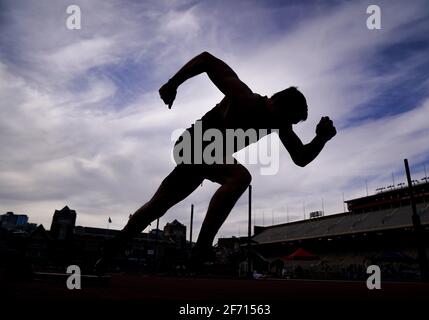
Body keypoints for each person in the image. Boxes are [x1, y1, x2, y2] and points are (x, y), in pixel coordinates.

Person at [94, 51, 336, 273]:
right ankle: (201, 249)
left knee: (157, 206)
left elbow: (300, 158)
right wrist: (172, 84)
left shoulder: (279, 123)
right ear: (274, 102)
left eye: (290, 123)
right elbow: (207, 60)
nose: (286, 127)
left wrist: (321, 138)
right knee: (240, 177)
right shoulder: (244, 97)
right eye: (286, 119)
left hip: (207, 159)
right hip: (192, 143)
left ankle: (112, 248)